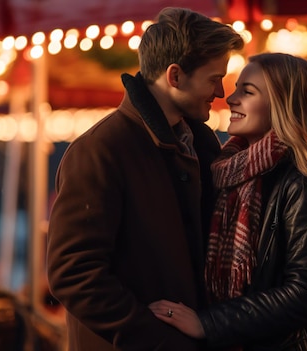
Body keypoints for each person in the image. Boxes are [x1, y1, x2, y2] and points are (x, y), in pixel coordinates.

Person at [46, 7, 244, 350]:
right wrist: (157, 339)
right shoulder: (100, 151)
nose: (221, 92)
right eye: (214, 78)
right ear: (175, 76)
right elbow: (74, 274)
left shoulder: (201, 145)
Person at [149, 53, 307, 350]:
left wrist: (208, 323)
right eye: (236, 89)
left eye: (247, 92)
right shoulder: (223, 171)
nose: (230, 98)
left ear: (282, 105)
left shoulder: (301, 181)